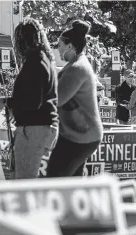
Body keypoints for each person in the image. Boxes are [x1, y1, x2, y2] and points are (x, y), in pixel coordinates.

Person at [46, 20, 103, 177]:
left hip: (79, 137)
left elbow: (56, 100)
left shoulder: (77, 69)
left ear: (70, 46)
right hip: (80, 134)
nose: (58, 50)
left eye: (60, 46)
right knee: (72, 184)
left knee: (54, 182)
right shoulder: (76, 64)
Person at [5, 18, 59, 179]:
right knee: (25, 178)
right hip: (41, 127)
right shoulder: (44, 59)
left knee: (24, 180)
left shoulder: (35, 61)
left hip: (34, 128)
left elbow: (33, 101)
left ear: (22, 40)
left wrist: (9, 102)